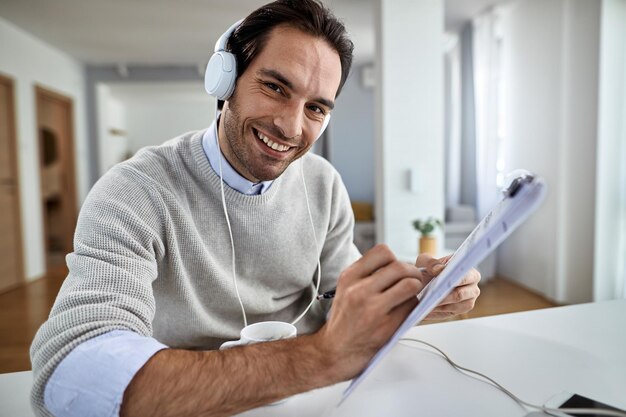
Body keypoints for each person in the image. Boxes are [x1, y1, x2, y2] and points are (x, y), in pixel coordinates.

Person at [30, 1, 481, 416]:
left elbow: (332, 299)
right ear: (224, 81)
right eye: (274, 86)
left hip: (310, 400)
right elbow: (71, 373)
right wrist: (322, 357)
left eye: (316, 108)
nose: (291, 126)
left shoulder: (323, 184)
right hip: (188, 401)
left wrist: (409, 295)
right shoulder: (135, 190)